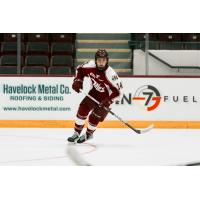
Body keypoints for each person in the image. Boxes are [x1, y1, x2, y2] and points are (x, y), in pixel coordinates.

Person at [67, 49, 123, 144]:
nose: (101, 63)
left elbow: (119, 92)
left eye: (103, 60)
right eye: (99, 60)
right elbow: (79, 70)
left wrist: (108, 101)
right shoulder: (90, 66)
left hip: (106, 99)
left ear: (107, 61)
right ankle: (76, 132)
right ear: (95, 60)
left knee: (94, 118)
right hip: (93, 93)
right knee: (82, 111)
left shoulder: (111, 75)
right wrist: (78, 81)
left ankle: (89, 134)